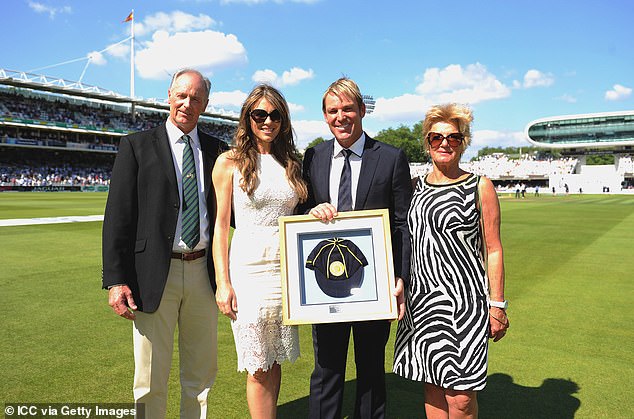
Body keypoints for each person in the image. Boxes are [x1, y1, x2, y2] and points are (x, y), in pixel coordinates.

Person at [102, 69, 228, 419]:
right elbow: (117, 218)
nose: (188, 103)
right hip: (153, 274)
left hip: (204, 273)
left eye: (196, 98)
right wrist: (115, 280)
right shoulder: (136, 146)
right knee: (149, 379)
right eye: (182, 95)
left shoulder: (220, 151)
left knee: (201, 377)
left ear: (205, 104)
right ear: (169, 95)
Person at [301, 77, 412, 419]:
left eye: (348, 108)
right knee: (327, 371)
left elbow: (403, 225)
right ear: (324, 116)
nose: (341, 116)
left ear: (362, 110)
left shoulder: (391, 158)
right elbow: (298, 212)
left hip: (374, 285)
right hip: (326, 286)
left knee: (371, 371)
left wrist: (401, 278)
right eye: (333, 110)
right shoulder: (313, 156)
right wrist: (309, 212)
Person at [393, 103, 509, 419]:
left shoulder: (480, 186)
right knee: (431, 389)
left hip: (465, 307)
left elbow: (494, 249)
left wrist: (497, 304)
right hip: (422, 306)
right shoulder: (415, 189)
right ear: (427, 141)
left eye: (453, 138)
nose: (444, 144)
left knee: (460, 400)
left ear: (463, 141)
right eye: (436, 138)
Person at [212, 85, 307, 419]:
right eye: (260, 114)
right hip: (248, 269)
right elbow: (221, 227)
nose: (268, 121)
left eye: (275, 115)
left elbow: (299, 216)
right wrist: (223, 284)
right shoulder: (229, 162)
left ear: (283, 119)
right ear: (248, 117)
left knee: (275, 356)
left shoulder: (292, 163)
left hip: (286, 270)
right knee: (257, 363)